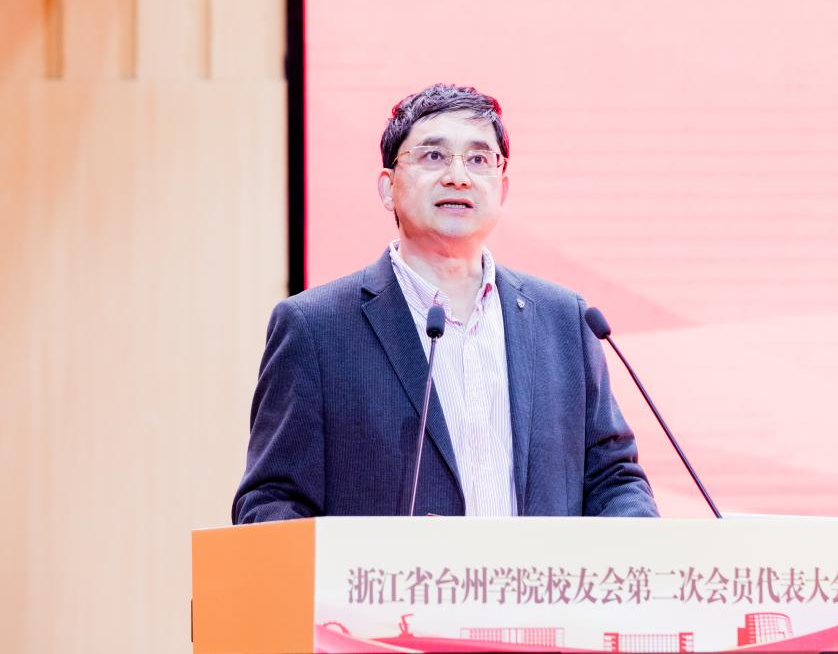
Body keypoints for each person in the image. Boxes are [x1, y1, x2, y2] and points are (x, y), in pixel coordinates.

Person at [232, 84, 659, 522]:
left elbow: (614, 479)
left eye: (479, 159)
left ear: (502, 189)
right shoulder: (316, 328)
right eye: (433, 156)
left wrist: (638, 537)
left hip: (539, 572)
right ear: (388, 188)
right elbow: (271, 502)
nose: (459, 176)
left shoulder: (565, 320)